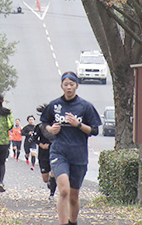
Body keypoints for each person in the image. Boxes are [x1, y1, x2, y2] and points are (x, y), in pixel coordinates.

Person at [40, 71, 102, 225]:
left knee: (74, 197)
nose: (69, 87)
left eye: (71, 84)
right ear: (61, 86)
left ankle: (72, 221)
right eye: (66, 84)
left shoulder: (85, 106)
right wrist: (50, 129)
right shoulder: (54, 105)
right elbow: (44, 123)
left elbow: (94, 130)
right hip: (59, 152)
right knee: (64, 191)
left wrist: (78, 124)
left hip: (78, 155)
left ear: (76, 86)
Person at [33, 104, 57, 200]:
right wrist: (41, 144)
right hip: (43, 153)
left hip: (55, 152)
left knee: (53, 173)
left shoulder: (57, 126)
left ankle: (52, 194)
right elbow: (34, 138)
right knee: (45, 178)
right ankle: (50, 183)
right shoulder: (40, 127)